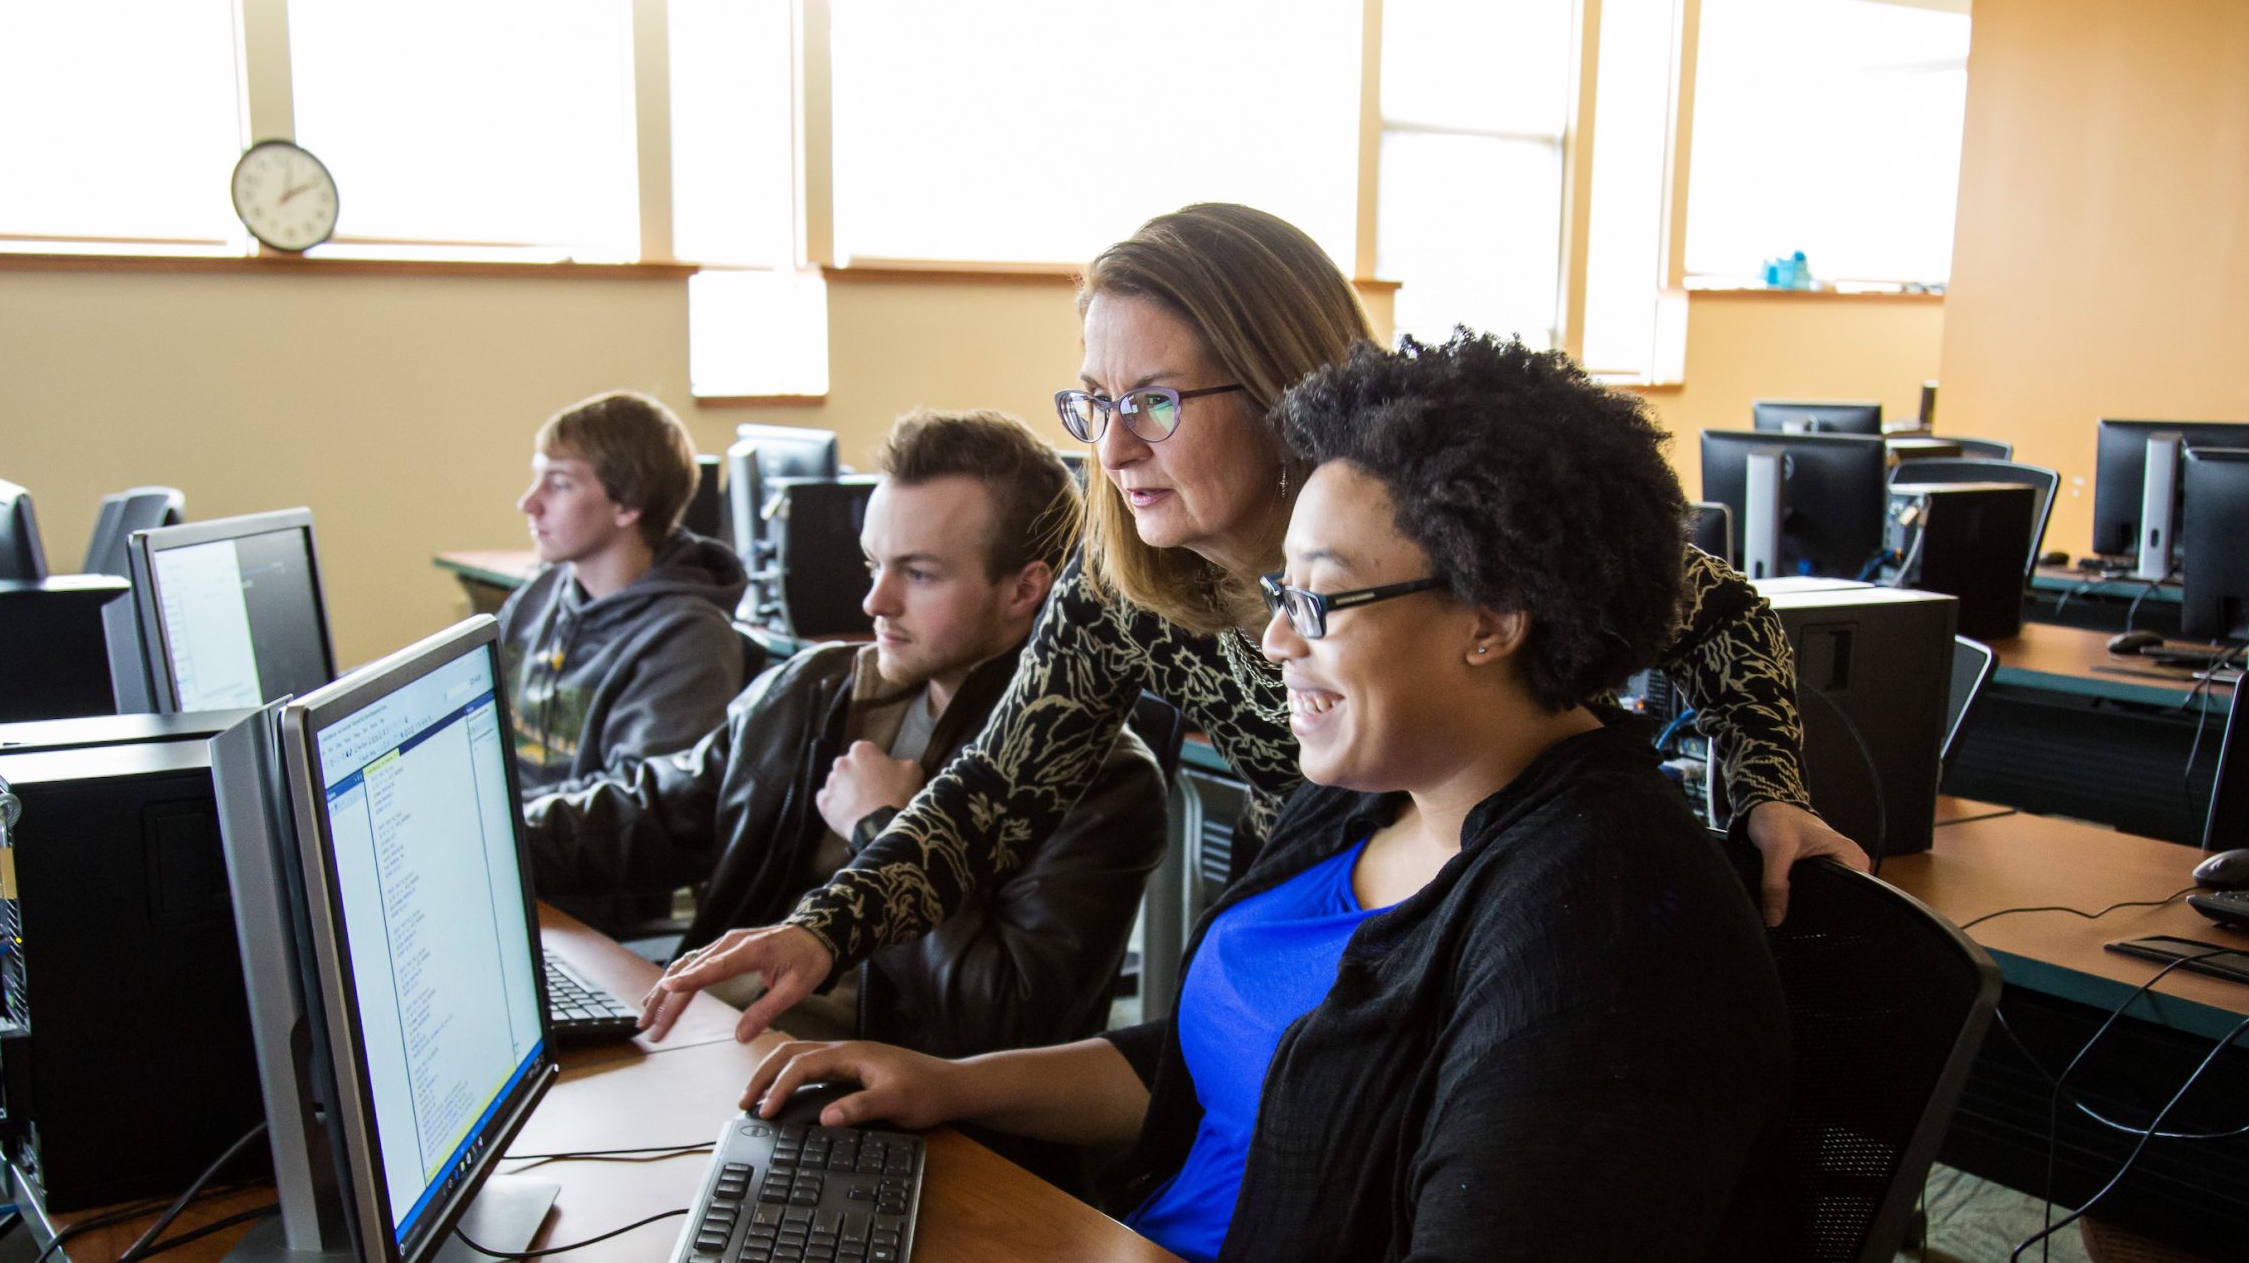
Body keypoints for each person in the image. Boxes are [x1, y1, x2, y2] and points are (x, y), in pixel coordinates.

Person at [730, 332, 1790, 1263]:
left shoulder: (1601, 916)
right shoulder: (1367, 792)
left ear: (1493, 620)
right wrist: (950, 1086)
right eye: (1282, 594)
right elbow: (1230, 1066)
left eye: (1320, 600)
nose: (1276, 639)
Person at [639, 203, 1864, 1044]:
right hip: (1328, 927)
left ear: (1282, 382)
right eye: (1095, 402)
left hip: (1511, 931)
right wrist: (822, 928)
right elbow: (991, 794)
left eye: (1157, 402)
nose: (1112, 449)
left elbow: (1718, 610)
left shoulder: (1427, 524)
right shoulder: (1123, 577)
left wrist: (1767, 786)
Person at [524, 409, 1166, 1057]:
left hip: (883, 1109)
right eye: (873, 565)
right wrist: (492, 839)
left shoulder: (1101, 777)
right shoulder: (817, 690)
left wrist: (879, 825)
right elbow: (650, 810)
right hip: (713, 1041)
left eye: (918, 574)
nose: (874, 602)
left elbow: (1006, 1021)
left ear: (1026, 588)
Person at [501, 390, 747, 798]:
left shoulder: (688, 640)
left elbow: (636, 808)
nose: (529, 503)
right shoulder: (539, 596)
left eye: (559, 484)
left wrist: (504, 819)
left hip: (565, 852)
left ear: (628, 504)